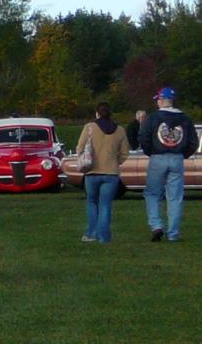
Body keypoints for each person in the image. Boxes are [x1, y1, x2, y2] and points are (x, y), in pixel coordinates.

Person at [138, 86, 199, 242]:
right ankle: (173, 233)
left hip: (157, 157)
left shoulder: (153, 118)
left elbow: (143, 137)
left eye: (158, 99)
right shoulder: (185, 118)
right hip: (177, 158)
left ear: (162, 100)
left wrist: (150, 151)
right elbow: (194, 142)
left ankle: (156, 225)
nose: (157, 102)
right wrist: (183, 154)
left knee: (152, 193)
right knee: (175, 197)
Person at [75, 102, 130, 243]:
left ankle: (91, 233)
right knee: (105, 204)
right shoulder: (120, 130)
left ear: (97, 113)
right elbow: (124, 153)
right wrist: (115, 162)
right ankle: (104, 237)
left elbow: (80, 148)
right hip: (111, 173)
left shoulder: (89, 128)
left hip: (92, 172)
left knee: (92, 202)